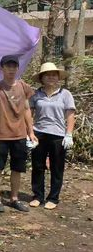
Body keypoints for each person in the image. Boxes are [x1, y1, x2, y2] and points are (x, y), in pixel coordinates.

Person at [0, 55, 36, 213]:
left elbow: (27, 109)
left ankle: (14, 198)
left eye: (14, 66)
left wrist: (30, 131)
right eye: (7, 66)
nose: (11, 69)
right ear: (1, 68)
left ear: (17, 68)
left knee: (17, 168)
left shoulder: (23, 86)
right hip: (1, 136)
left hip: (20, 135)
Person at [29, 62, 76, 210]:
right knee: (38, 166)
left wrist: (69, 134)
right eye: (47, 75)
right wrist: (29, 132)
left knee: (57, 167)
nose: (50, 77)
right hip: (39, 134)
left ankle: (53, 197)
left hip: (58, 135)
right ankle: (38, 196)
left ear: (58, 77)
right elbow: (29, 115)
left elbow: (70, 115)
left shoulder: (65, 94)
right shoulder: (36, 94)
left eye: (53, 75)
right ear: (42, 78)